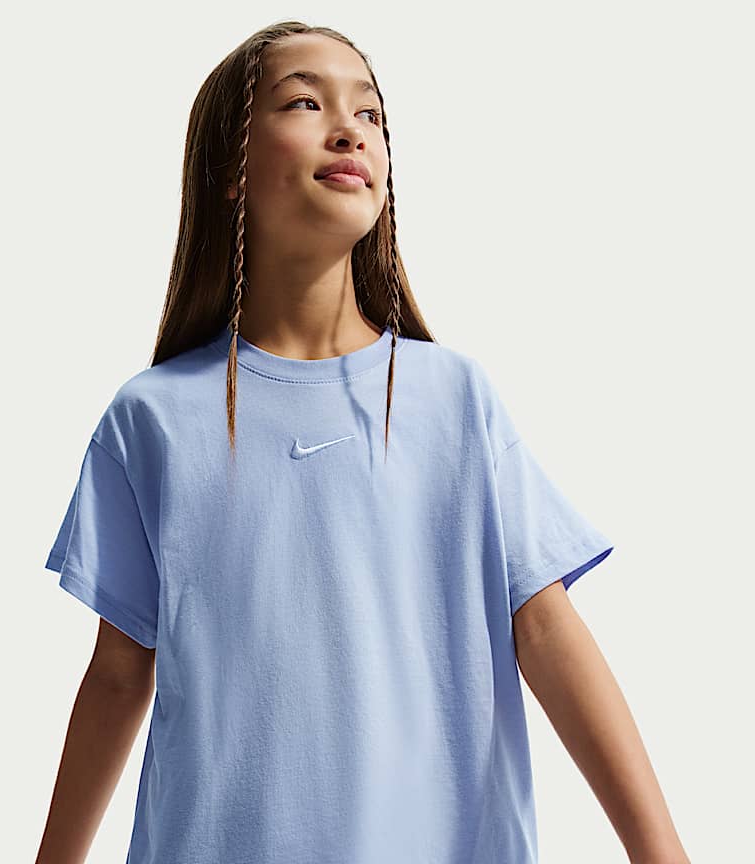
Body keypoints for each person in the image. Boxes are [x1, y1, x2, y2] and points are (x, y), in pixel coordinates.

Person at [36, 21, 690, 864]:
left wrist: (660, 850)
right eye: (305, 103)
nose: (351, 129)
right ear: (231, 168)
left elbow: (547, 632)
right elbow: (120, 673)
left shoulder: (455, 399)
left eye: (371, 114)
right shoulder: (150, 420)